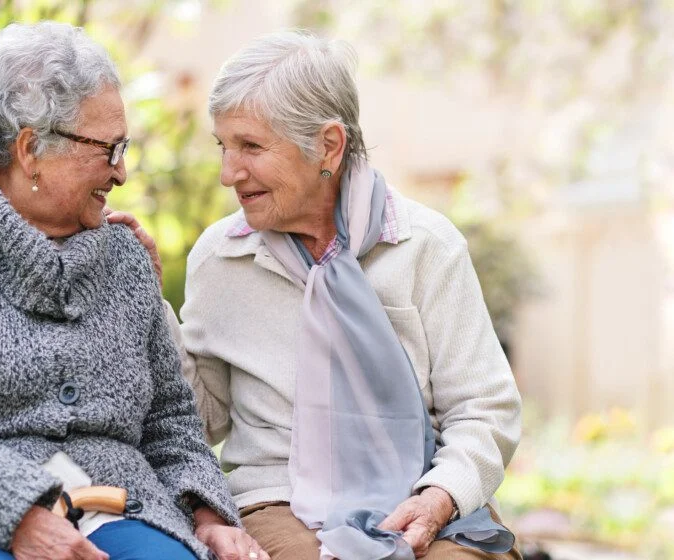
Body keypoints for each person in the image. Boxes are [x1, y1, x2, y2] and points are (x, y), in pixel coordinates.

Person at [113, 31, 524, 560]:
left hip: (424, 493)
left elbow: (483, 408)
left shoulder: (425, 246)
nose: (227, 173)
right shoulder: (220, 258)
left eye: (251, 146)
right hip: (277, 500)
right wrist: (150, 304)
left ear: (328, 146)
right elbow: (201, 419)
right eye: (224, 146)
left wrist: (439, 498)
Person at [0, 22, 267, 560]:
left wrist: (209, 515)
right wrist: (16, 508)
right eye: (109, 149)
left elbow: (171, 418)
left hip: (125, 505)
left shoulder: (122, 255)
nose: (121, 172)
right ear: (30, 150)